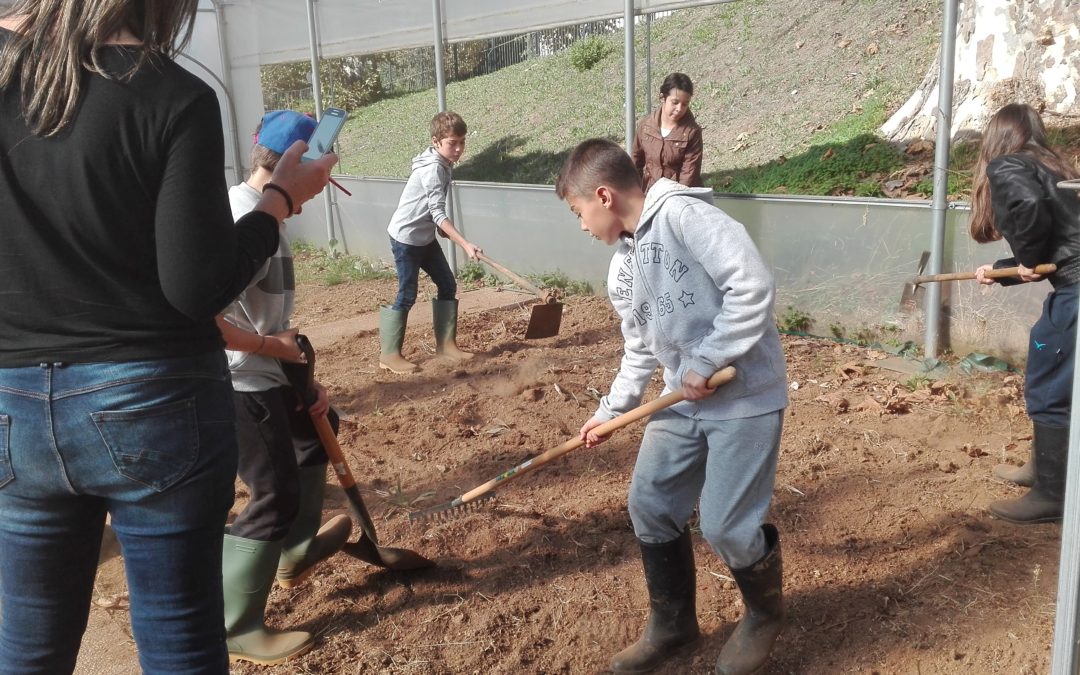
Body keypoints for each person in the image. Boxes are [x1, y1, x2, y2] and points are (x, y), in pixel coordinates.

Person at [0, 3, 335, 673]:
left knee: (26, 651)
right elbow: (195, 285)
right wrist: (279, 201)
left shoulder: (11, 76)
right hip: (152, 402)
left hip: (14, 405)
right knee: (180, 644)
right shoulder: (169, 94)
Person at [555, 138, 788, 675]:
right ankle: (674, 624)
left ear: (604, 196)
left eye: (578, 212)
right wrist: (614, 409)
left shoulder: (686, 216)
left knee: (727, 525)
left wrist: (706, 360)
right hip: (680, 401)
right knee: (652, 504)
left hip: (744, 396)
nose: (581, 226)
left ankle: (764, 614)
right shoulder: (622, 268)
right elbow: (640, 346)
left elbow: (750, 284)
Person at [214, 110, 353, 664]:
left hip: (270, 368)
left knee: (318, 433)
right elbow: (207, 322)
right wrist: (276, 351)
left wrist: (303, 378)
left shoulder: (265, 214)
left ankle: (295, 551)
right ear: (296, 165)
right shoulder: (240, 222)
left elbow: (270, 320)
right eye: (319, 168)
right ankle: (234, 625)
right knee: (271, 494)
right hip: (237, 381)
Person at [969, 102, 1080, 524]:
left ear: (997, 137)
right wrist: (1002, 272)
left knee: (1049, 384)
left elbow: (1030, 209)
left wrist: (1026, 258)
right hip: (1072, 283)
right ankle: (1043, 467)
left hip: (1074, 294)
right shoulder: (1058, 169)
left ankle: (1052, 494)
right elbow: (1062, 243)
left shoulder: (1008, 165)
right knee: (1054, 375)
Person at [380, 110, 483, 374]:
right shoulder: (434, 169)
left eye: (462, 142)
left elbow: (431, 211)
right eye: (452, 143)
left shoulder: (442, 162)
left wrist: (438, 228)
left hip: (424, 236)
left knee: (447, 284)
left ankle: (447, 346)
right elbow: (437, 213)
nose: (459, 149)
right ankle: (389, 355)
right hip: (407, 239)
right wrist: (465, 244)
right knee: (407, 294)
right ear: (436, 141)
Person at [630, 72, 704, 194]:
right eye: (675, 102)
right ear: (662, 98)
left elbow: (688, 175)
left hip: (680, 196)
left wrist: (673, 202)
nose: (680, 109)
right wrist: (635, 194)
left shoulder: (692, 132)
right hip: (651, 194)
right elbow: (635, 163)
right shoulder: (646, 126)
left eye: (685, 104)